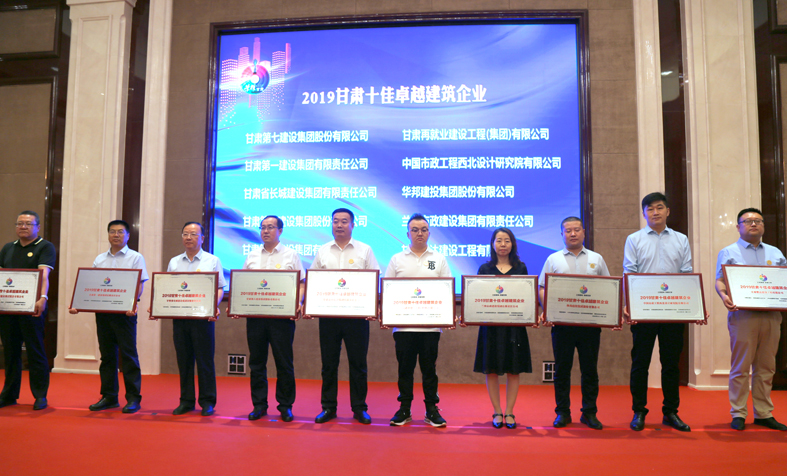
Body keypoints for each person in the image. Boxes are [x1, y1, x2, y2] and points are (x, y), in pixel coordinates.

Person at [623, 192, 707, 432]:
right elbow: (629, 272)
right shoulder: (634, 239)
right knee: (640, 363)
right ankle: (639, 411)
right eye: (650, 209)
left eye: (659, 207)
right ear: (644, 213)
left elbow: (687, 273)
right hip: (644, 310)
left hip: (673, 311)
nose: (655, 212)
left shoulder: (681, 239)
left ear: (667, 211)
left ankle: (671, 412)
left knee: (671, 364)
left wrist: (695, 308)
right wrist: (629, 305)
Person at [715, 208, 787, 431]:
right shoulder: (728, 252)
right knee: (741, 367)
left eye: (758, 220)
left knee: (766, 367)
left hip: (771, 316)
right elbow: (720, 280)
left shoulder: (775, 253)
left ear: (763, 225)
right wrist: (724, 296)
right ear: (738, 227)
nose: (753, 224)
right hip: (743, 316)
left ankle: (763, 413)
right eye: (747, 221)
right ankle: (738, 412)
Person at [68, 220, 148, 413]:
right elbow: (92, 285)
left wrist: (133, 303)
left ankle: (133, 398)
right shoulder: (100, 259)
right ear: (108, 235)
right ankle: (109, 396)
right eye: (112, 231)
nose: (116, 235)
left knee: (128, 355)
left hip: (125, 314)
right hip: (103, 313)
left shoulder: (135, 257)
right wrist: (80, 304)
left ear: (128, 235)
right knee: (107, 356)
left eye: (120, 232)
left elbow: (139, 284)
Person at [538, 217, 610, 430]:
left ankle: (589, 412)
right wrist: (548, 310)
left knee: (590, 370)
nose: (572, 234)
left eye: (576, 230)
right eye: (568, 230)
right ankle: (562, 412)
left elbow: (608, 287)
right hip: (562, 325)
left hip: (590, 325)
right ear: (562, 234)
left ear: (583, 232)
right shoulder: (553, 259)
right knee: (562, 370)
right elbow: (542, 287)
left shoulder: (597, 259)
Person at [309, 208, 379, 424]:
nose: (339, 225)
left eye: (344, 221)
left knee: (358, 364)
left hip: (356, 317)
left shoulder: (364, 250)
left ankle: (359, 408)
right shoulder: (323, 251)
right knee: (329, 364)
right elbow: (313, 280)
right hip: (328, 317)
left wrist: (372, 307)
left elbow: (374, 280)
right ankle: (328, 407)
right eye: (335, 221)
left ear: (353, 225)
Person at [385, 213, 451, 428]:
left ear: (429, 233)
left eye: (423, 229)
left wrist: (447, 316)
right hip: (403, 327)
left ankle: (431, 409)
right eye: (415, 230)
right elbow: (388, 290)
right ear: (408, 234)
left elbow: (446, 290)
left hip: (430, 327)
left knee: (429, 370)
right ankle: (404, 408)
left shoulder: (438, 259)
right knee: (405, 370)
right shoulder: (397, 259)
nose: (419, 233)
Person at [238, 215, 302, 422]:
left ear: (280, 231)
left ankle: (285, 406)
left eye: (270, 227)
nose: (265, 231)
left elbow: (301, 282)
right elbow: (243, 282)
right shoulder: (252, 256)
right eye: (263, 227)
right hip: (256, 317)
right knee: (257, 362)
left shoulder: (291, 255)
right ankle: (259, 405)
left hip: (282, 318)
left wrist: (298, 302)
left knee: (284, 362)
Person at [161, 222, 226, 416]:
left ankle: (207, 401)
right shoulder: (174, 262)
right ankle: (186, 401)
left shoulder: (212, 260)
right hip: (180, 318)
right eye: (185, 234)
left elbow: (220, 288)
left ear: (202, 238)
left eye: (193, 234)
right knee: (184, 360)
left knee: (205, 361)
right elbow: (168, 288)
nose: (188, 237)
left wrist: (214, 305)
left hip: (203, 318)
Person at [473, 227, 532, 429]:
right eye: (499, 240)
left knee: (513, 370)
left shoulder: (521, 268)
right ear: (492, 244)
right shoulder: (484, 269)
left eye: (507, 240)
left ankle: (510, 412)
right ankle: (497, 411)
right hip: (491, 327)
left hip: (514, 327)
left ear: (513, 244)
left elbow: (526, 297)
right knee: (491, 370)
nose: (503, 244)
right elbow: (477, 298)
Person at [0, 211, 56, 411]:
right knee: (11, 352)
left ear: (38, 227)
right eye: (20, 223)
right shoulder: (8, 248)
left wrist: (43, 297)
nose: (23, 227)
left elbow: (44, 274)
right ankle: (9, 395)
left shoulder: (45, 247)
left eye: (28, 224)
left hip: (33, 308)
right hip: (8, 309)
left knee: (35, 351)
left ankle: (40, 395)